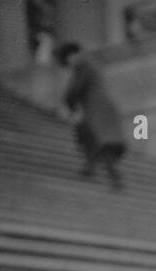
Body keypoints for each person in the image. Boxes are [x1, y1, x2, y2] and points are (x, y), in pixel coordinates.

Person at [54, 42, 125, 188]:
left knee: (97, 140)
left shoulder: (82, 64)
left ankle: (100, 170)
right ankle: (96, 168)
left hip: (96, 110)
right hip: (102, 109)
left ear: (70, 56)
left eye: (66, 60)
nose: (67, 65)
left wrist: (69, 104)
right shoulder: (90, 63)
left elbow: (75, 89)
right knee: (97, 140)